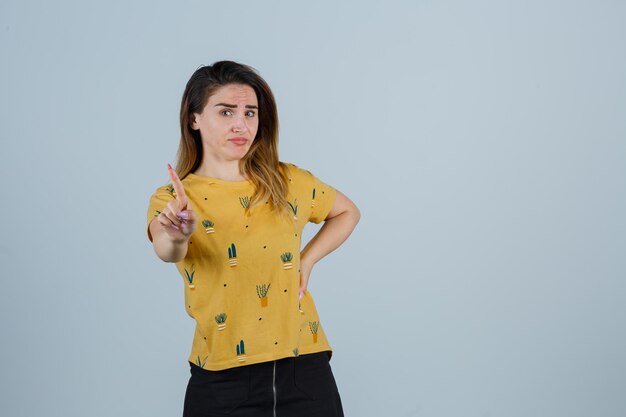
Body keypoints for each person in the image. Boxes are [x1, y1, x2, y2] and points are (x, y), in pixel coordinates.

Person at [146, 60, 360, 417]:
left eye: (250, 113)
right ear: (194, 119)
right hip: (222, 377)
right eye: (226, 112)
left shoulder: (288, 180)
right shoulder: (173, 199)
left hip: (304, 368)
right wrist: (178, 232)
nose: (240, 125)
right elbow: (166, 250)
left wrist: (306, 260)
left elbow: (347, 212)